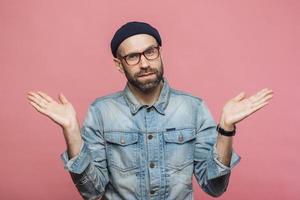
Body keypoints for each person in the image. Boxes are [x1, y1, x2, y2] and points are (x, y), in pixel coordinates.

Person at [27, 21, 273, 200]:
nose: (144, 63)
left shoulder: (193, 108)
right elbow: (92, 191)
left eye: (150, 52)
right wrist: (71, 131)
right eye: (132, 57)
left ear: (160, 52)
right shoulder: (101, 111)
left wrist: (226, 130)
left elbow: (214, 187)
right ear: (119, 65)